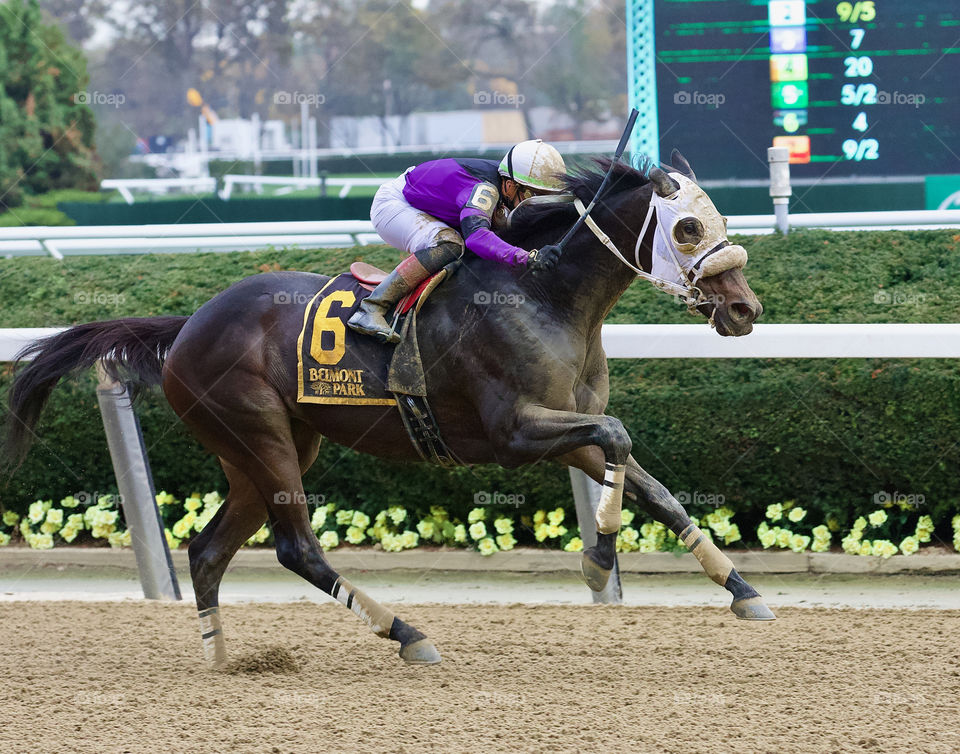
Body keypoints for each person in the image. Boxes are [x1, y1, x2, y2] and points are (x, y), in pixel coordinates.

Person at [347, 139, 567, 343]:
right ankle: (372, 307)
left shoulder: (507, 182)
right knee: (450, 244)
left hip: (428, 202)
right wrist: (525, 257)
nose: (537, 204)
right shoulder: (485, 189)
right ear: (509, 185)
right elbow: (476, 237)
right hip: (396, 205)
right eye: (532, 195)